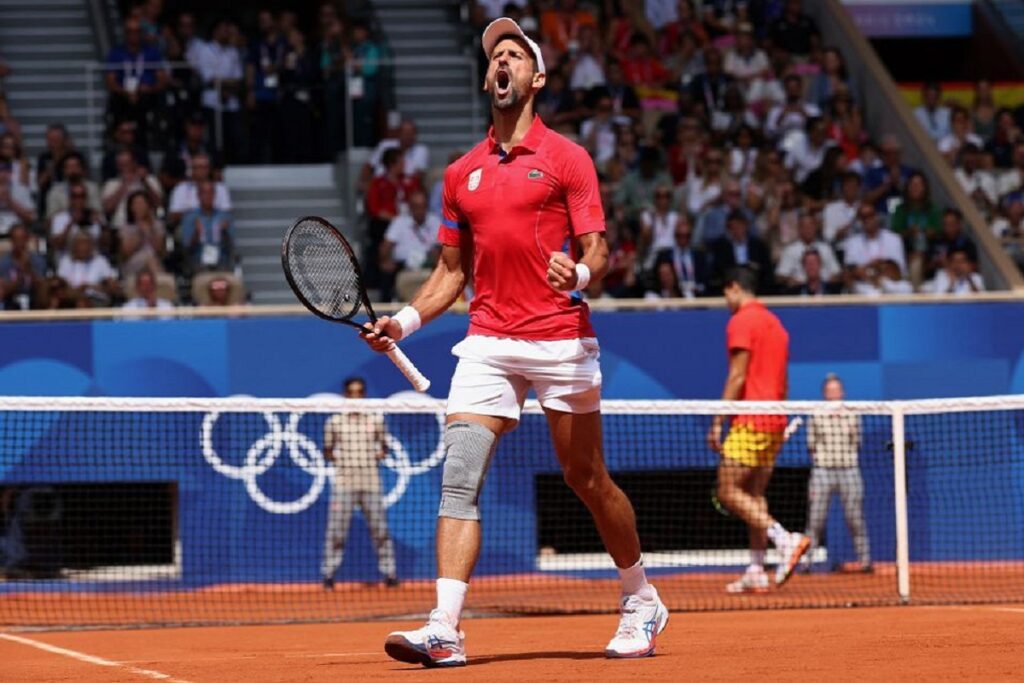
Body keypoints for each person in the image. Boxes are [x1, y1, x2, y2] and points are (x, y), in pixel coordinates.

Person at [365, 18, 667, 667]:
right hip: (488, 341)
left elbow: (599, 252)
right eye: (494, 55)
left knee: (584, 476)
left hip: (560, 338)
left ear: (536, 77)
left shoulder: (568, 159)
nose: (502, 61)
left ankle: (641, 596)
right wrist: (403, 322)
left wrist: (580, 275)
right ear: (487, 78)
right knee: (459, 476)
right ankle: (444, 626)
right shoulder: (460, 173)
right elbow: (450, 273)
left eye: (514, 54)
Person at [708, 266, 809, 594]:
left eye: (726, 292)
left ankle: (785, 539)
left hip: (751, 419)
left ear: (735, 287)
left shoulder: (741, 321)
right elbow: (783, 381)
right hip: (775, 419)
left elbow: (737, 376)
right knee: (754, 496)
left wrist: (718, 421)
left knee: (727, 490)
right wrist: (779, 419)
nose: (726, 300)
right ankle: (755, 568)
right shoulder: (777, 326)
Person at [321, 377, 399, 590]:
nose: (356, 396)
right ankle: (328, 575)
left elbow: (384, 445)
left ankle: (390, 574)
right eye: (351, 392)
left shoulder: (375, 420)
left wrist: (379, 453)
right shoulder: (335, 422)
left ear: (364, 394)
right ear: (345, 395)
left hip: (371, 482)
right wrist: (340, 460)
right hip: (344, 483)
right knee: (336, 531)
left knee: (380, 530)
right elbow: (327, 450)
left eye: (360, 392)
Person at [804, 374, 872, 573]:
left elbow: (857, 441)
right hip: (822, 471)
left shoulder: (852, 413)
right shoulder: (816, 414)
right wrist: (822, 459)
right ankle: (806, 562)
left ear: (842, 392)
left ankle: (865, 562)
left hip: (849, 470)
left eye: (836, 390)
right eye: (829, 390)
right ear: (825, 393)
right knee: (815, 519)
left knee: (855, 517)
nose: (833, 393)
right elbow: (811, 444)